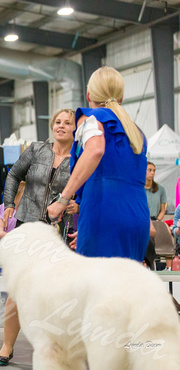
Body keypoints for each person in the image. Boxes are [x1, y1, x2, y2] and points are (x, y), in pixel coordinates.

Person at [0, 108, 77, 366]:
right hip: (26, 225)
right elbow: (13, 174)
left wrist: (79, 205)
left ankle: (53, 349)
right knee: (17, 290)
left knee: (56, 291)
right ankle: (7, 346)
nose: (61, 126)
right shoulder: (36, 149)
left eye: (67, 123)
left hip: (57, 232)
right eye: (57, 122)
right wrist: (9, 202)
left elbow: (89, 191)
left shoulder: (79, 157)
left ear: (75, 129)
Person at [48, 66, 150, 262]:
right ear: (120, 97)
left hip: (104, 211)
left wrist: (62, 200)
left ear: (88, 95)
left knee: (97, 287)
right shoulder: (136, 132)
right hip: (137, 217)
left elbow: (95, 150)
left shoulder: (92, 119)